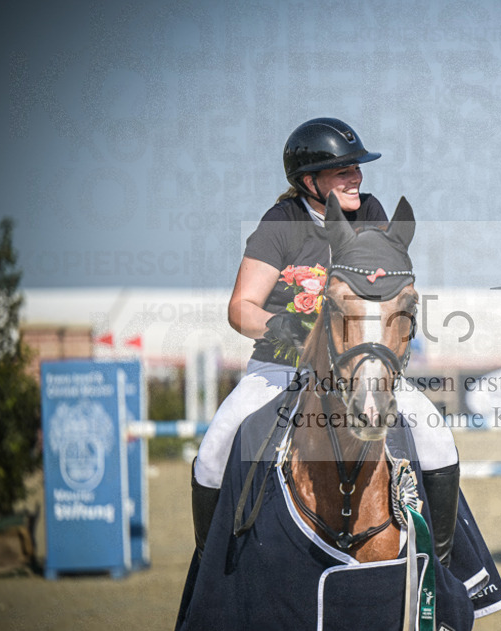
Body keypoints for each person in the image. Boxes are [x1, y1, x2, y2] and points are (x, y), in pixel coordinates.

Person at [191, 117, 460, 565]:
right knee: (215, 446)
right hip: (283, 367)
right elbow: (241, 307)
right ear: (309, 181)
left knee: (436, 438)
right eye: (344, 171)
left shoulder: (371, 213)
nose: (357, 177)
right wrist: (287, 327)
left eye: (357, 168)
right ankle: (210, 570)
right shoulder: (280, 224)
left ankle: (441, 571)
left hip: (359, 366)